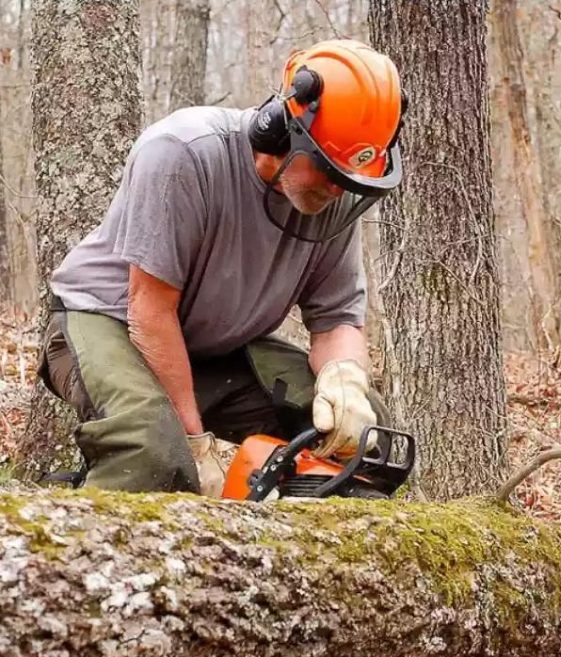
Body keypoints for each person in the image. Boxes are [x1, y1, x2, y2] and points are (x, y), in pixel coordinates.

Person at [36, 39, 404, 497]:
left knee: (365, 433)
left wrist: (345, 377)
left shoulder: (334, 199)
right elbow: (149, 312)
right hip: (108, 320)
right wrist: (194, 445)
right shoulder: (184, 153)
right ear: (282, 129)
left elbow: (336, 321)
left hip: (212, 347)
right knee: (151, 451)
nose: (336, 189)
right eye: (329, 170)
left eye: (349, 178)